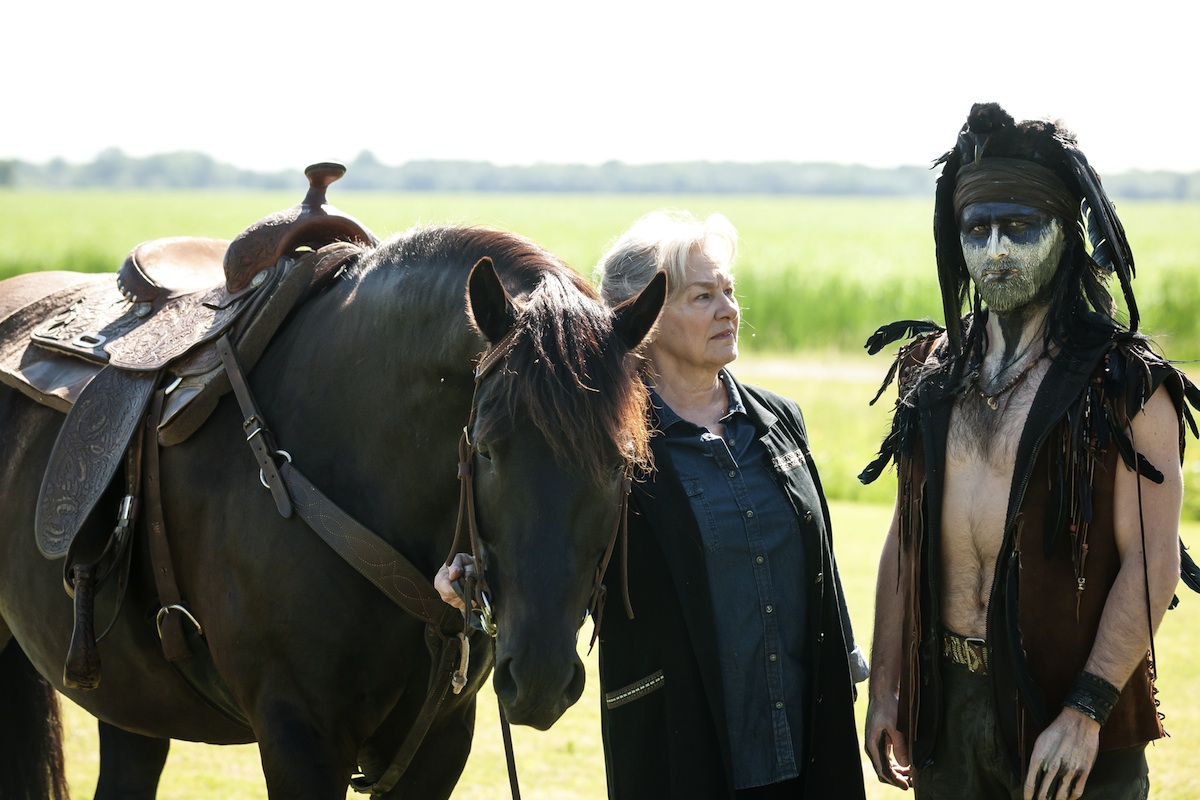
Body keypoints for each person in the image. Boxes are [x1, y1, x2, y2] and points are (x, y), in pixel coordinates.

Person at [438, 209, 868, 798]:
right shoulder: (611, 454)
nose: (729, 310)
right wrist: (478, 576)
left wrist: (851, 665)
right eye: (702, 296)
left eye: (729, 290)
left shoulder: (779, 421)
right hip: (679, 750)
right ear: (648, 314)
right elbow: (555, 550)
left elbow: (821, 564)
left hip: (810, 740)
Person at [860, 102, 1200, 800]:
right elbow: (907, 535)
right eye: (977, 231)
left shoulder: (1123, 383)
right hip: (946, 711)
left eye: (1021, 228)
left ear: (1064, 234)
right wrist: (887, 688)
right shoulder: (932, 373)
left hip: (1069, 720)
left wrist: (1086, 712)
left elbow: (1151, 564)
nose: (997, 251)